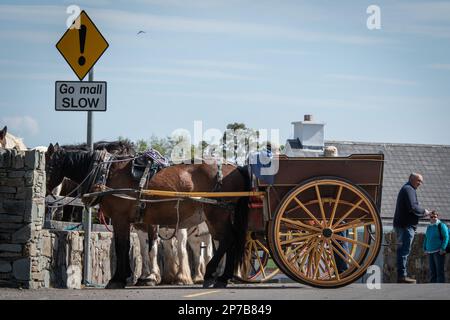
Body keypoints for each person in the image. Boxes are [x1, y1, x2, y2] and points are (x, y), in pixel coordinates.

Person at [393, 173, 431, 283]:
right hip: (406, 226)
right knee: (404, 251)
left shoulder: (407, 188)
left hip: (403, 225)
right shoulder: (409, 189)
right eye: (419, 180)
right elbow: (413, 207)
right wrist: (425, 212)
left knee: (402, 251)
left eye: (421, 181)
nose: (420, 183)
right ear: (412, 179)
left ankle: (401, 275)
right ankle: (402, 276)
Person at [423, 211, 448, 283]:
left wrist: (443, 248)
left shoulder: (441, 225)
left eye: (435, 216)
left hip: (438, 251)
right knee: (432, 272)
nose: (433, 218)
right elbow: (426, 238)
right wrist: (424, 248)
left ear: (437, 217)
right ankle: (432, 289)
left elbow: (446, 237)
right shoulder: (429, 227)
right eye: (431, 217)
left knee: (439, 271)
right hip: (430, 251)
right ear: (429, 218)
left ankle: (439, 289)